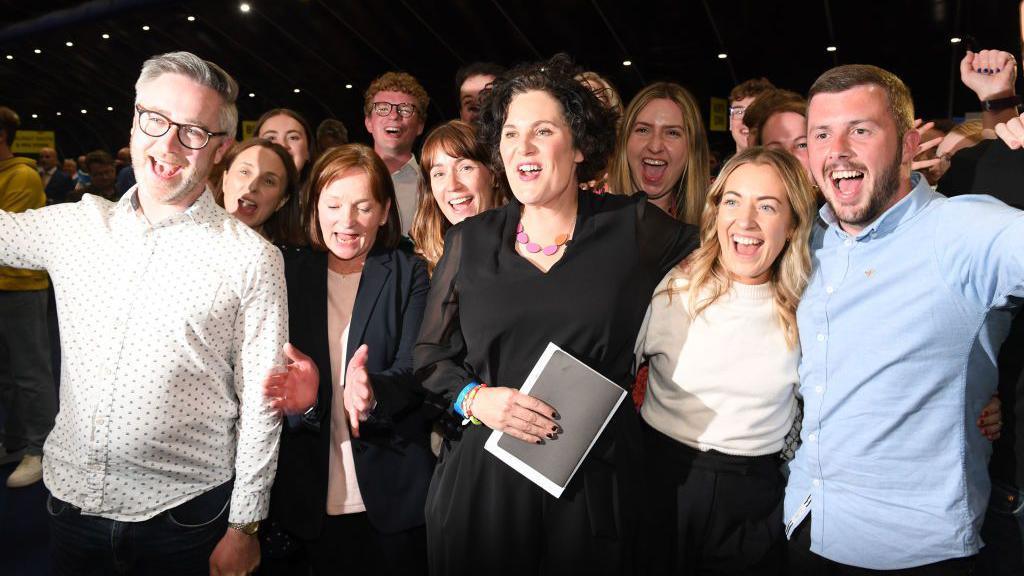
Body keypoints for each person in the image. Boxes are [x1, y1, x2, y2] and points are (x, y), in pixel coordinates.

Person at [0, 51, 314, 576]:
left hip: (185, 521)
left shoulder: (251, 258)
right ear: (134, 119)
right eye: (155, 119)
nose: (167, 144)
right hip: (70, 504)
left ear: (219, 148)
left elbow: (263, 402)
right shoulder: (75, 227)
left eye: (192, 131)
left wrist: (245, 526)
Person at [414, 54, 699, 575]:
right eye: (510, 134)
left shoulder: (635, 227)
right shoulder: (470, 240)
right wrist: (474, 399)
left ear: (579, 144)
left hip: (593, 488)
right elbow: (430, 358)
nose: (522, 147)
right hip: (485, 486)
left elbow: (731, 252)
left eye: (542, 131)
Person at [785, 63, 1024, 574]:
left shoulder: (962, 230)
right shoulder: (810, 240)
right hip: (805, 522)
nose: (838, 149)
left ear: (911, 143)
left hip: (912, 550)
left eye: (861, 130)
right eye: (822, 134)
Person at [638, 146, 817, 575]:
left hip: (753, 500)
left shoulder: (811, 310)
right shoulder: (674, 287)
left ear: (793, 224)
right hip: (658, 480)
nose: (746, 220)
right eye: (732, 201)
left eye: (768, 206)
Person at [260, 144, 433, 576]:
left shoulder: (406, 271)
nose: (347, 221)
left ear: (384, 210)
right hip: (307, 502)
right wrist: (307, 406)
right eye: (333, 205)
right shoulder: (284, 271)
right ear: (314, 205)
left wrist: (372, 394)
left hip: (393, 497)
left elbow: (416, 371)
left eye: (363, 206)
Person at [0, 105, 57, 489]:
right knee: (8, 374)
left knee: (31, 372)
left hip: (21, 287)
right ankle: (17, 440)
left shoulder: (22, 175)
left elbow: (9, 239)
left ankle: (42, 449)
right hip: (5, 288)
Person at [607, 82, 711, 225]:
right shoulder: (588, 222)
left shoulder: (713, 235)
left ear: (692, 148)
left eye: (672, 133)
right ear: (625, 140)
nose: (655, 147)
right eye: (643, 130)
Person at [409, 120, 501, 273]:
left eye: (465, 168)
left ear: (493, 175)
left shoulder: (527, 249)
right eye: (439, 174)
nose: (452, 185)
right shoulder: (421, 268)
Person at [364, 71, 429, 235]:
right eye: (383, 108)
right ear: (369, 123)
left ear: (420, 125)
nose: (394, 116)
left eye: (406, 109)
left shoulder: (434, 185)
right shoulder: (342, 180)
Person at [215, 138, 303, 245]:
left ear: (282, 200)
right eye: (244, 172)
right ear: (225, 180)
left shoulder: (293, 260)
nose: (252, 186)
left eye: (268, 181)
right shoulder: (192, 239)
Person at [256, 108, 316, 183]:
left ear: (308, 151)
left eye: (293, 137)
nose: (282, 145)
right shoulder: (243, 193)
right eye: (271, 138)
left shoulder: (325, 193)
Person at [729, 77, 775, 154]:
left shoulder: (787, 165)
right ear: (730, 121)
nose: (745, 120)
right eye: (739, 112)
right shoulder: (711, 166)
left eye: (756, 111)